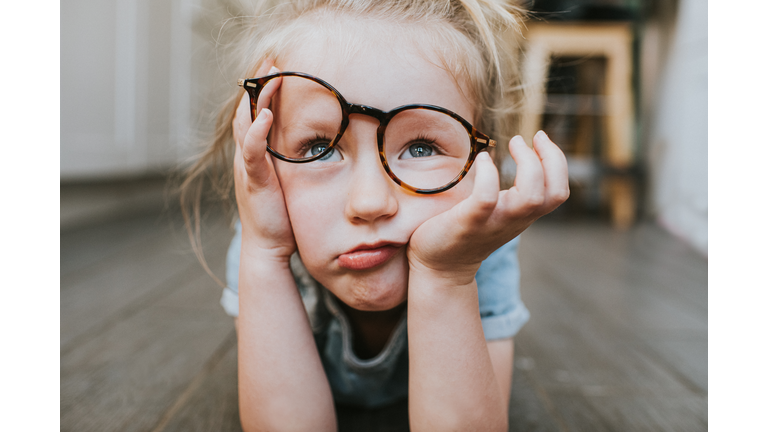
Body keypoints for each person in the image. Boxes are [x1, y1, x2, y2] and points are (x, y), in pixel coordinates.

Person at [181, 0, 569, 430]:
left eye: (420, 148)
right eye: (319, 148)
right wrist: (265, 251)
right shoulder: (265, 238)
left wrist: (445, 277)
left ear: (481, 165)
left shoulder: (480, 247)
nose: (369, 202)